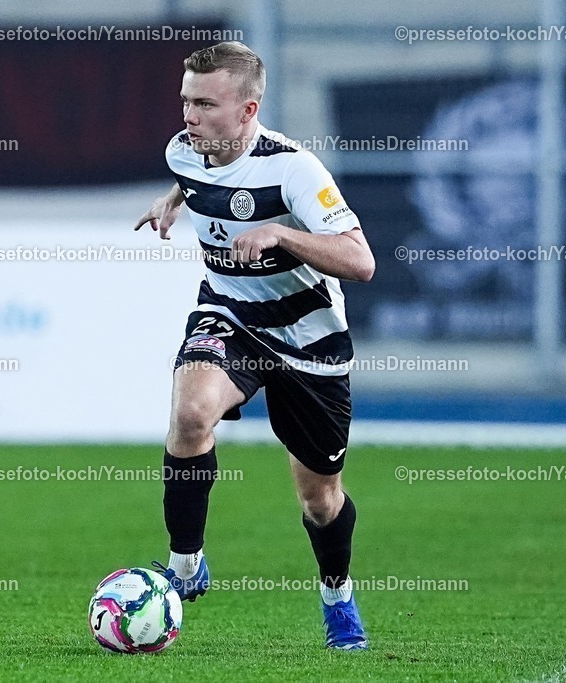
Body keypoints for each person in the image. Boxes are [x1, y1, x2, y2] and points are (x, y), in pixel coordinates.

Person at [134, 42, 375, 650]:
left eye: (206, 104)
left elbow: (360, 261)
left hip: (307, 338)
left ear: (247, 110)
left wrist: (281, 235)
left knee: (319, 497)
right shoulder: (183, 149)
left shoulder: (295, 169)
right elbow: (192, 180)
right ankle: (185, 567)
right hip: (231, 314)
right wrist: (168, 203)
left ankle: (337, 596)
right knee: (190, 414)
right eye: (186, 101)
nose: (190, 116)